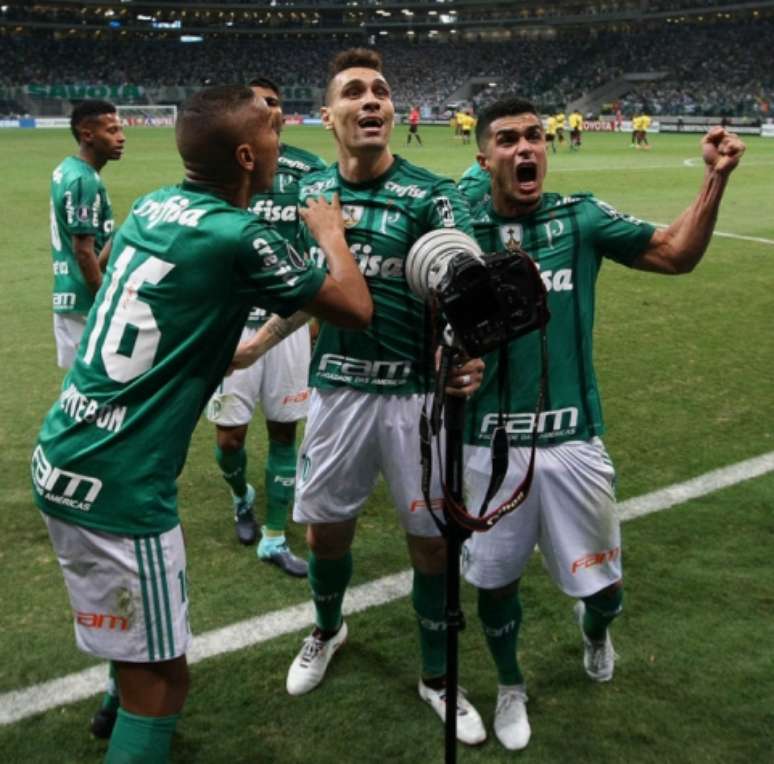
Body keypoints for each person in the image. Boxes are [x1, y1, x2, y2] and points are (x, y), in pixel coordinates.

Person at [31, 84, 372, 764]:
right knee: (164, 676)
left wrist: (239, 347)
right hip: (123, 486)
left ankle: (109, 703)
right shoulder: (240, 235)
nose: (283, 146)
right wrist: (332, 237)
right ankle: (129, 713)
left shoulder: (155, 203)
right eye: (274, 137)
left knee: (127, 620)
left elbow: (163, 318)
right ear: (247, 157)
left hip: (63, 450)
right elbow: (353, 307)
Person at [460, 96, 745, 751]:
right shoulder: (459, 231)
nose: (526, 149)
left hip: (573, 443)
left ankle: (595, 628)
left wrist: (716, 177)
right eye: (507, 140)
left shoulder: (579, 218)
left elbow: (675, 254)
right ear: (485, 159)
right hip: (488, 447)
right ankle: (509, 688)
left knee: (607, 587)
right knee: (495, 583)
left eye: (535, 137)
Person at [279, 48, 487, 746]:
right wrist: (252, 345)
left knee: (430, 546)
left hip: (415, 404)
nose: (372, 101)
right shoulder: (309, 193)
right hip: (337, 392)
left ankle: (436, 677)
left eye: (382, 91)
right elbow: (304, 287)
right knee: (324, 532)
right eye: (355, 92)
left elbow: (468, 287)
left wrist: (467, 352)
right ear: (329, 115)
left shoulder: (432, 195)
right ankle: (328, 628)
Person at [205, 76, 327, 577]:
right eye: (259, 104)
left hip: (287, 326)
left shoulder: (309, 170)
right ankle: (242, 496)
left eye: (276, 102)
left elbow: (321, 248)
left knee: (284, 433)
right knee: (229, 439)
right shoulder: (222, 168)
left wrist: (312, 315)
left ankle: (274, 536)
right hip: (231, 324)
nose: (270, 111)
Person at [50, 99, 124, 370]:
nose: (121, 138)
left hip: (68, 292)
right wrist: (104, 297)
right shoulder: (84, 180)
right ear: (87, 135)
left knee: (82, 390)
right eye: (112, 131)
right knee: (98, 388)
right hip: (84, 299)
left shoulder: (66, 169)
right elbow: (83, 251)